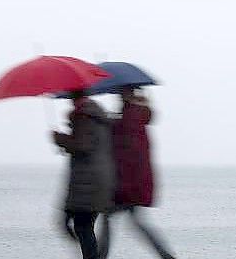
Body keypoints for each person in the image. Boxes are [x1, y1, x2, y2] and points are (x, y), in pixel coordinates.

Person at [98, 87, 175, 259]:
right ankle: (166, 255)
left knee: (110, 217)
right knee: (136, 222)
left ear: (127, 95)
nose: (118, 97)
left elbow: (126, 155)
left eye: (121, 93)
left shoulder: (130, 118)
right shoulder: (135, 117)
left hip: (127, 183)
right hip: (136, 182)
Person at [53, 90, 115, 259]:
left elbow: (82, 145)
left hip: (87, 183)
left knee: (82, 227)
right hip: (94, 181)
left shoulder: (84, 116)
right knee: (78, 226)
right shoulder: (92, 114)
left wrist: (61, 140)